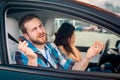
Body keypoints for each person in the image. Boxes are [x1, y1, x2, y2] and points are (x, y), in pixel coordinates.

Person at [15, 14, 104, 71]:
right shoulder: (22, 53)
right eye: (34, 29)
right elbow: (30, 77)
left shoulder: (52, 46)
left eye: (40, 26)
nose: (40, 31)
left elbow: (73, 68)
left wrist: (88, 57)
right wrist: (32, 59)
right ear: (26, 36)